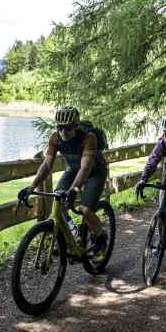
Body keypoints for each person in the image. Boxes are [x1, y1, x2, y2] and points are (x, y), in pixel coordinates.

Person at [18, 106, 109, 257]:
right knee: (57, 200)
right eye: (59, 127)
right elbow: (47, 164)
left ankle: (101, 237)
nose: (63, 132)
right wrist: (31, 186)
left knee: (85, 209)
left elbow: (85, 168)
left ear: (76, 126)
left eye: (67, 128)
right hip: (73, 170)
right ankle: (73, 236)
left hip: (95, 172)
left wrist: (74, 190)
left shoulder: (88, 138)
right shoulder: (55, 138)